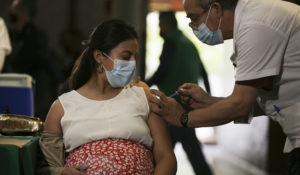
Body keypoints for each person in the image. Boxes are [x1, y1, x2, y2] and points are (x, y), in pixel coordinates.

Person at [148, 0, 300, 174]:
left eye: (194, 18)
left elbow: (240, 104)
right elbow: (267, 103)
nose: (193, 27)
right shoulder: (250, 22)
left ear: (216, 9)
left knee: (187, 149)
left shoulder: (256, 25)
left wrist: (183, 118)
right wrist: (210, 101)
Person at [39, 19, 177, 175]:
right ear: (99, 56)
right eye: (126, 57)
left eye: (134, 56)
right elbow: (46, 169)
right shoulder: (62, 107)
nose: (133, 62)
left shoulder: (144, 97)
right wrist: (62, 172)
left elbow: (166, 157)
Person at [146, 11, 212, 175]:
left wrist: (143, 86)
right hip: (190, 101)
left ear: (167, 23)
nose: (159, 28)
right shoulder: (189, 43)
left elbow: (163, 70)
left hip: (175, 102)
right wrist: (208, 98)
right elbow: (203, 72)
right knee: (169, 142)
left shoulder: (171, 42)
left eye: (160, 24)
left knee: (188, 145)